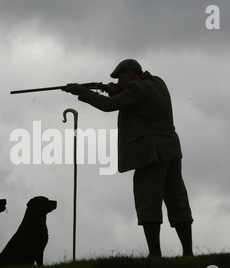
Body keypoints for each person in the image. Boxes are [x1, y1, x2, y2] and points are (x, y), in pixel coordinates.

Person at [62, 59, 194, 257]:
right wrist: (118, 91)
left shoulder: (135, 89)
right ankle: (188, 252)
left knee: (147, 202)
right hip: (171, 150)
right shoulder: (158, 82)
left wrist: (83, 91)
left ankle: (155, 255)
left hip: (150, 153)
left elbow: (108, 105)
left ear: (131, 73)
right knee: (177, 201)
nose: (119, 80)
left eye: (120, 77)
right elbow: (136, 101)